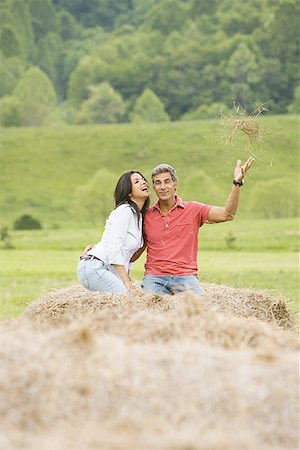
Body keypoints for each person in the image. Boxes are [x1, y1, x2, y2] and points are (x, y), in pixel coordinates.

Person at [138, 158, 254, 295]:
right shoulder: (146, 215)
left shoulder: (193, 209)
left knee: (199, 310)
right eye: (158, 183)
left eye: (167, 181)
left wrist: (237, 183)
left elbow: (227, 214)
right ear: (154, 188)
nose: (163, 187)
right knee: (151, 309)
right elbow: (136, 248)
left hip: (185, 276)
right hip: (154, 277)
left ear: (176, 184)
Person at [77, 171, 150, 293]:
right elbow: (114, 246)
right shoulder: (124, 211)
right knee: (126, 299)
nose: (143, 182)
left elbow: (128, 254)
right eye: (136, 181)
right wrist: (125, 281)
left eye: (143, 179)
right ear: (129, 191)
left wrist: (127, 276)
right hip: (94, 267)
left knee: (127, 299)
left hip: (102, 268)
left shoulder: (138, 216)